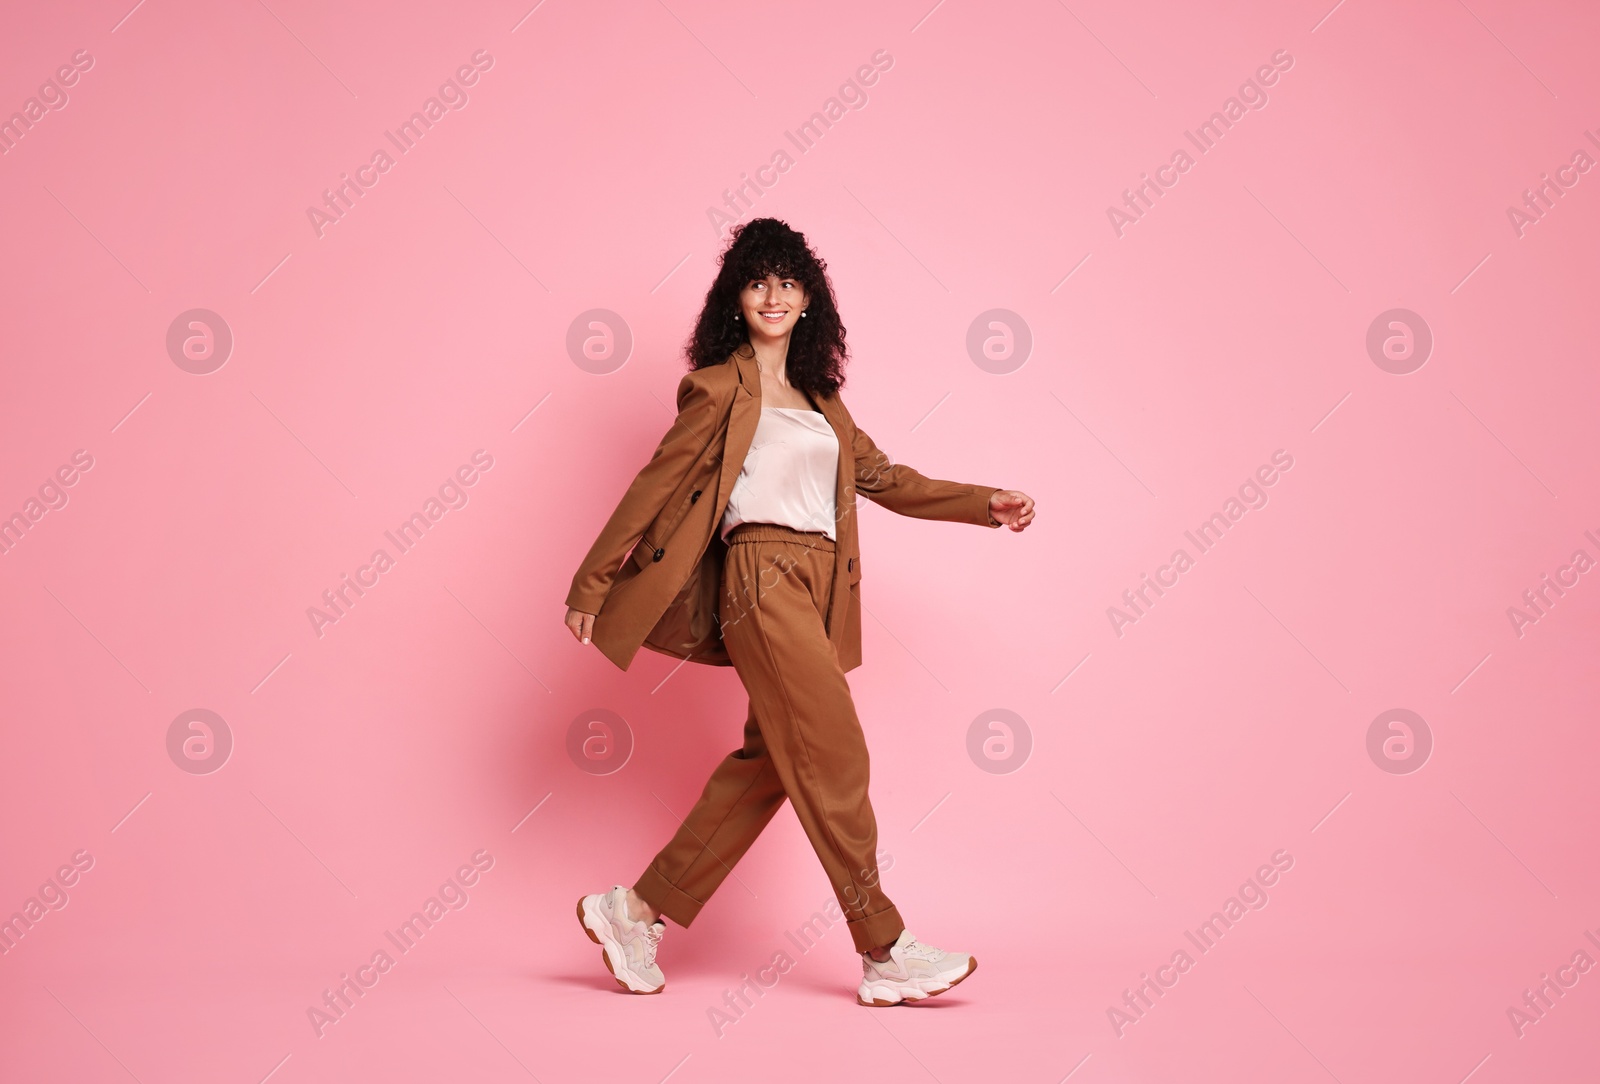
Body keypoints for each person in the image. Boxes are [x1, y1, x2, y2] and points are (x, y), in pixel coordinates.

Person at [564, 217, 1035, 1006]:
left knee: (773, 765)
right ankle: (883, 948)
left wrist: (982, 502)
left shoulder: (824, 402)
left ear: (810, 297)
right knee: (837, 755)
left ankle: (634, 909)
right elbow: (653, 485)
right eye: (758, 280)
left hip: (820, 586)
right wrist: (590, 583)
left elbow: (885, 479)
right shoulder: (718, 388)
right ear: (735, 299)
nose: (773, 295)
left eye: (788, 280)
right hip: (760, 572)